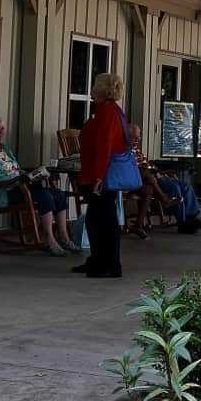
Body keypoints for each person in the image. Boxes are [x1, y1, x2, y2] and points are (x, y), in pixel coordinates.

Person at [0, 114, 79, 257]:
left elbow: (16, 168)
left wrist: (33, 174)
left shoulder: (5, 149)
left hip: (20, 187)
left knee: (59, 195)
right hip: (3, 191)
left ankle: (64, 237)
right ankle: (50, 240)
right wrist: (17, 177)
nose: (0, 132)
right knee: (45, 196)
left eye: (2, 128)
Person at [74, 72, 128, 279]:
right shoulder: (111, 110)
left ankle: (110, 264)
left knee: (104, 220)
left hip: (100, 174)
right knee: (96, 219)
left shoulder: (106, 110)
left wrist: (98, 176)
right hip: (97, 171)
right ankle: (97, 260)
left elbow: (105, 145)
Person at [128, 123, 201, 234]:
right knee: (175, 188)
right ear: (127, 136)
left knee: (186, 186)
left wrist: (162, 172)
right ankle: (182, 222)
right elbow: (137, 170)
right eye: (134, 137)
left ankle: (191, 218)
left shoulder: (137, 150)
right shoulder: (126, 151)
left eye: (139, 137)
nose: (137, 140)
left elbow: (148, 165)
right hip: (147, 179)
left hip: (157, 175)